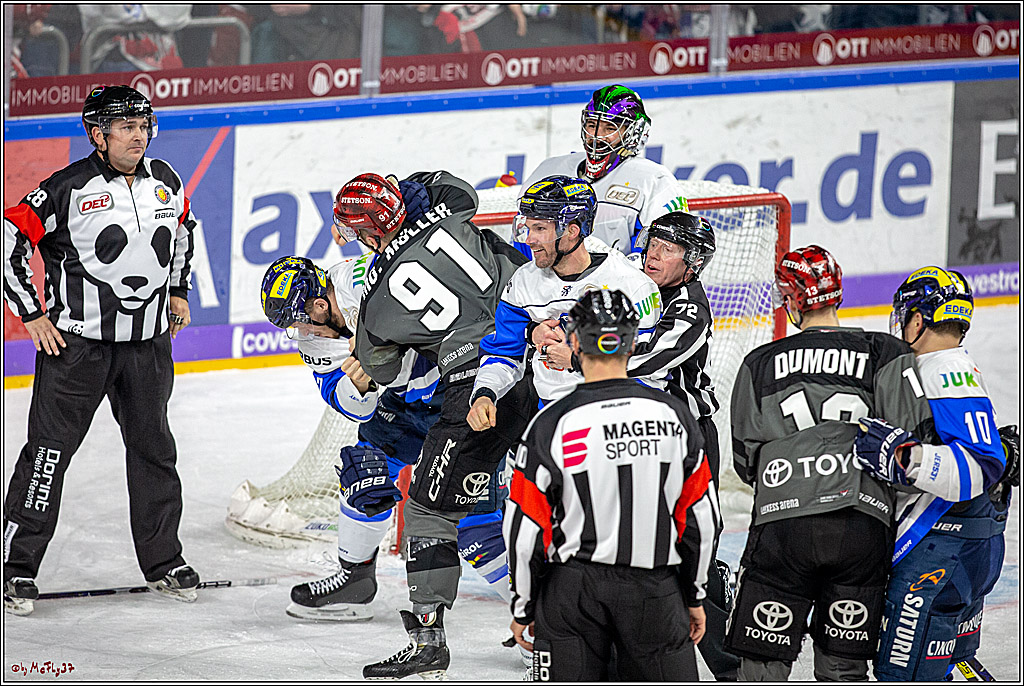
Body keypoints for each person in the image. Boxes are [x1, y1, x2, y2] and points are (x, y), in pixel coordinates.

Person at [3, 85, 198, 616]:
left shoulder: (167, 180)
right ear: (98, 133)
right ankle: (13, 569)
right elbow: (9, 238)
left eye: (144, 125)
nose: (139, 135)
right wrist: (32, 313)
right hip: (78, 351)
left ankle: (164, 562)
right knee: (47, 455)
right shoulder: (67, 187)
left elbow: (183, 232)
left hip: (148, 348)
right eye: (126, 127)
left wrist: (178, 290)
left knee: (155, 452)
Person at [334, 171, 535, 679]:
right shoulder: (448, 210)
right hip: (541, 357)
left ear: (369, 230)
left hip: (475, 390)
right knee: (556, 495)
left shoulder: (377, 303)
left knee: (426, 510)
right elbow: (457, 188)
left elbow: (377, 368)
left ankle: (432, 641)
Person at [258, 251, 511, 620]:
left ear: (319, 302)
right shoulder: (313, 342)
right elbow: (347, 403)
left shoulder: (366, 280)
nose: (303, 332)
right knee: (365, 473)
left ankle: (536, 613)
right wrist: (360, 388)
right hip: (406, 402)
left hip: (459, 392)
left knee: (471, 519)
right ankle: (355, 579)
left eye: (302, 320)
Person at [726, 245, 938, 681]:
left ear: (791, 301)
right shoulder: (887, 351)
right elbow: (913, 445)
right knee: (844, 667)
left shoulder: (757, 364)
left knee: (762, 666)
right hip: (861, 525)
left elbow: (746, 458)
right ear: (837, 293)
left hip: (783, 525)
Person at [505, 288, 721, 680]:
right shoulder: (675, 414)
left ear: (574, 341)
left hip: (573, 593)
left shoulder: (552, 422)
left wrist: (524, 605)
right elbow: (702, 519)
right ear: (634, 340)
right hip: (654, 589)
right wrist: (693, 594)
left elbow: (524, 526)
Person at [851, 267, 1019, 681]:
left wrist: (906, 458)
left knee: (905, 676)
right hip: (972, 549)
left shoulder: (941, 369)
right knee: (954, 664)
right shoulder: (957, 365)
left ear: (918, 319)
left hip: (939, 550)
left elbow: (983, 465)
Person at [623, 211, 741, 680]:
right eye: (654, 243)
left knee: (695, 544)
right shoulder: (629, 279)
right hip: (635, 436)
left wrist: (589, 359)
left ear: (691, 262)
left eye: (668, 249)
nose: (654, 253)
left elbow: (655, 357)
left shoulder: (690, 305)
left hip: (685, 435)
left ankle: (728, 668)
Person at [467, 175, 662, 422]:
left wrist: (577, 359)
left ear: (572, 230)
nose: (529, 239)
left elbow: (648, 366)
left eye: (540, 229)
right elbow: (504, 352)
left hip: (618, 418)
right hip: (551, 417)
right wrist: (485, 393)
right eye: (528, 227)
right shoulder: (524, 281)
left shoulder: (631, 284)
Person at [516, 84, 685, 257]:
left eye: (610, 128)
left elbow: (658, 258)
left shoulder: (655, 181)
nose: (597, 136)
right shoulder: (548, 170)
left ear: (633, 134)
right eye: (591, 125)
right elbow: (522, 241)